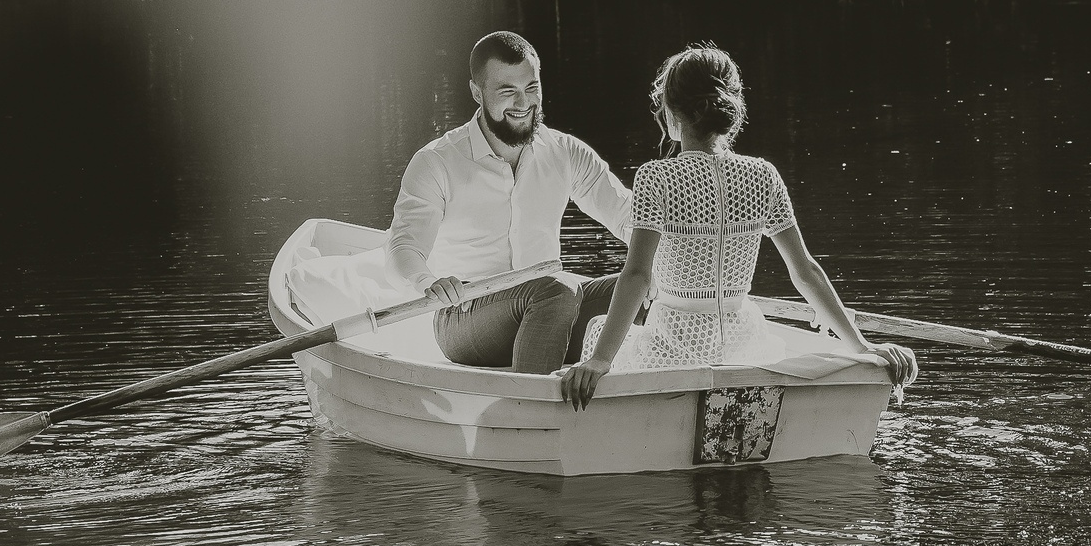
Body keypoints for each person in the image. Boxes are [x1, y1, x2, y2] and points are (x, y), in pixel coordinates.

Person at [556, 44, 916, 409]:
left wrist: (600, 360)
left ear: (672, 111)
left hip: (676, 343)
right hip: (744, 342)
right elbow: (805, 270)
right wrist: (861, 345)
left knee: (597, 328)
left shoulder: (656, 176)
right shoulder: (763, 174)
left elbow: (636, 276)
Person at [389, 30, 631, 373]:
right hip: (464, 317)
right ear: (477, 92)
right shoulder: (436, 161)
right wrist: (428, 282)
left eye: (531, 88)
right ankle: (530, 408)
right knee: (556, 290)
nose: (523, 103)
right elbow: (403, 249)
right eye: (508, 92)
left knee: (638, 288)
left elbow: (628, 215)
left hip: (552, 305)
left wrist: (666, 263)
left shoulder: (564, 151)